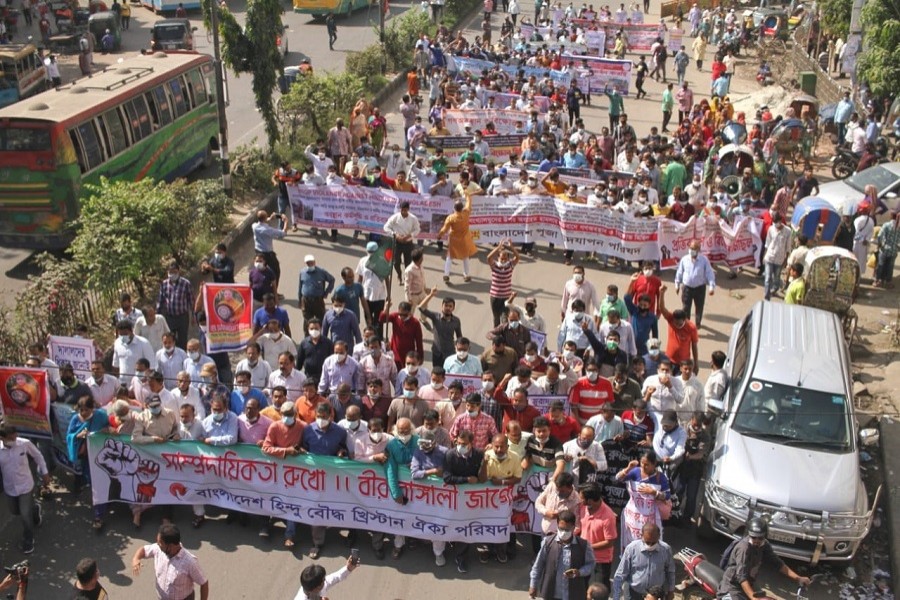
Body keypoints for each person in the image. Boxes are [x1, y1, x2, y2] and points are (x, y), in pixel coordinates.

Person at [715, 517, 811, 599]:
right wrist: (753, 597)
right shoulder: (744, 549)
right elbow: (742, 577)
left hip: (750, 583)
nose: (757, 540)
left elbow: (778, 564)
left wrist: (798, 578)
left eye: (760, 538)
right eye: (753, 537)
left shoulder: (764, 545)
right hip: (733, 588)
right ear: (749, 535)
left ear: (765, 536)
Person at [0, 424, 50, 555]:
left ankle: (28, 540)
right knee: (15, 511)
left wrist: (44, 473)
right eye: (11, 438)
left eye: (15, 436)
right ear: (2, 438)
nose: (15, 439)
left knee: (24, 515)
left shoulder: (24, 444)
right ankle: (35, 509)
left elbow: (38, 456)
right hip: (10, 488)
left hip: (26, 486)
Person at [443, 429, 485, 573]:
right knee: (460, 526)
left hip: (473, 500)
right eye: (458, 443)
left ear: (471, 444)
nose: (460, 446)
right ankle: (460, 557)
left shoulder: (479, 455)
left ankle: (463, 553)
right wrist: (466, 480)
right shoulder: (450, 455)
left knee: (469, 526)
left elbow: (483, 477)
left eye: (464, 444)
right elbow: (447, 478)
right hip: (455, 499)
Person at [529, 509, 596, 600]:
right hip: (551, 593)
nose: (563, 532)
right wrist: (533, 585)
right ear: (557, 525)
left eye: (567, 529)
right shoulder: (548, 542)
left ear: (573, 527)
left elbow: (591, 564)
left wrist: (579, 572)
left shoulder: (583, 545)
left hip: (574, 594)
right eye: (561, 529)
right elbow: (538, 566)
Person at [131, 524, 209, 600]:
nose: (157, 544)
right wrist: (136, 559)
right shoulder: (158, 549)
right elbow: (143, 550)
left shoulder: (190, 562)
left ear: (170, 546)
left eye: (160, 543)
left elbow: (204, 583)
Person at [615, 450, 670, 550]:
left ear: (654, 464)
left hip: (650, 517)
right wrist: (628, 469)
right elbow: (617, 479)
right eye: (642, 464)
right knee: (630, 542)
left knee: (648, 541)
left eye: (647, 465)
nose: (643, 467)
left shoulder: (660, 477)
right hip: (632, 516)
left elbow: (667, 495)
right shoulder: (635, 472)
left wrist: (654, 492)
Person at [612, 523, 676, 600]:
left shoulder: (666, 549)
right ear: (641, 535)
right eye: (647, 542)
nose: (650, 545)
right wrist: (616, 596)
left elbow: (670, 571)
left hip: (655, 595)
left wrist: (671, 591)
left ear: (659, 536)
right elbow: (620, 574)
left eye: (653, 542)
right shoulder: (632, 549)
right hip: (634, 593)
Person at [577, 484, 618, 590]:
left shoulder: (608, 517)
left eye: (581, 498)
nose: (579, 500)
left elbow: (609, 542)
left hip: (601, 560)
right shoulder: (582, 507)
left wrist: (588, 547)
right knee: (580, 586)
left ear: (590, 501)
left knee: (600, 590)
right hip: (583, 556)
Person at [673, 240, 715, 328]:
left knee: (699, 307)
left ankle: (698, 322)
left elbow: (709, 273)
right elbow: (679, 272)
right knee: (686, 307)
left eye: (694, 248)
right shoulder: (684, 259)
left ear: (699, 249)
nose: (692, 250)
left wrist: (711, 287)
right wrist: (677, 284)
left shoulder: (704, 260)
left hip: (700, 288)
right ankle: (687, 324)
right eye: (691, 248)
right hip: (687, 288)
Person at [437, 193, 478, 283]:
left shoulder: (451, 218)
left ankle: (446, 275)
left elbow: (444, 229)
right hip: (464, 240)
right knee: (465, 257)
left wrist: (439, 235)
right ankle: (466, 275)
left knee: (450, 257)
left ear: (454, 208)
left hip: (454, 240)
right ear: (462, 208)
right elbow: (469, 202)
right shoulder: (466, 213)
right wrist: (467, 194)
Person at [156, 263, 194, 349]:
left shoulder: (186, 283)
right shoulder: (164, 284)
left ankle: (182, 358)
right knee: (170, 339)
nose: (172, 274)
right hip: (170, 317)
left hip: (182, 317)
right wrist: (157, 315)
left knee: (182, 340)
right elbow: (160, 301)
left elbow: (191, 300)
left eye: (174, 272)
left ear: (178, 271)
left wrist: (193, 316)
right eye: (170, 272)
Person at [294, 555, 358, 600]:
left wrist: (348, 568)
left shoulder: (313, 586)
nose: (325, 580)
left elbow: (335, 577)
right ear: (316, 588)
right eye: (323, 580)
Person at [875, 210, 900, 289]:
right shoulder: (898, 227)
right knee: (890, 267)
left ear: (891, 216)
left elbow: (879, 236)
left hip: (885, 249)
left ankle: (878, 281)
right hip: (893, 250)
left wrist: (879, 244)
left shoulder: (886, 225)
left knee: (881, 265)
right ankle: (888, 282)